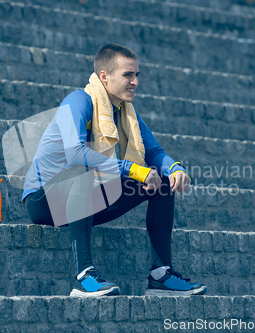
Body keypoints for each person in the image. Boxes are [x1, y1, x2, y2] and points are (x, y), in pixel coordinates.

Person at [22, 43, 207, 297]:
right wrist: (131, 168)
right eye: (127, 75)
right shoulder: (77, 102)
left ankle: (161, 275)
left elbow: (153, 151)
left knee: (163, 181)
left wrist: (174, 168)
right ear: (104, 77)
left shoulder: (124, 111)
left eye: (137, 75)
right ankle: (84, 276)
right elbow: (74, 153)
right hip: (45, 200)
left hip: (86, 200)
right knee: (81, 171)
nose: (135, 82)